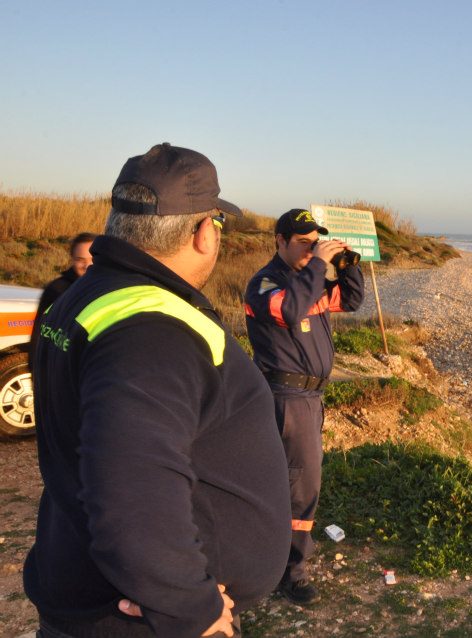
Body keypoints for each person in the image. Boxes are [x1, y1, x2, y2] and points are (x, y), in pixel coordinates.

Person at [25, 143, 291, 637]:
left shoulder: (87, 295)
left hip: (90, 584)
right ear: (204, 233)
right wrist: (188, 608)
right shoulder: (152, 329)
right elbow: (132, 488)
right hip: (137, 619)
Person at [243, 208, 365, 604]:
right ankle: (291, 573)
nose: (313, 249)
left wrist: (345, 265)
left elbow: (351, 300)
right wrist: (318, 265)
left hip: (310, 398)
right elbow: (290, 310)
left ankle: (277, 560)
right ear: (279, 240)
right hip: (287, 398)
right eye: (304, 243)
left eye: (317, 242)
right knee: (301, 487)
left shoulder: (305, 281)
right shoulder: (265, 284)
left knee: (292, 483)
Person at [28, 232, 96, 369]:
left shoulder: (110, 289)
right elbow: (39, 337)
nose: (86, 265)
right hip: (62, 371)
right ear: (72, 259)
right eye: (80, 260)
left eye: (92, 260)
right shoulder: (56, 291)